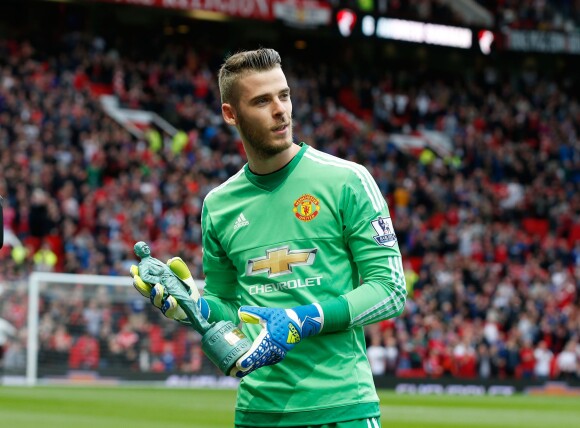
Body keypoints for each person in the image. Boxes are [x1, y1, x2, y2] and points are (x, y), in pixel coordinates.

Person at [132, 48, 407, 428]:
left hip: (343, 408)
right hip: (258, 412)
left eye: (284, 95)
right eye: (262, 101)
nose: (281, 110)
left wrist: (302, 318)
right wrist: (193, 306)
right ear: (231, 114)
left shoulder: (348, 180)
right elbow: (231, 307)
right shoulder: (219, 205)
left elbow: (390, 290)